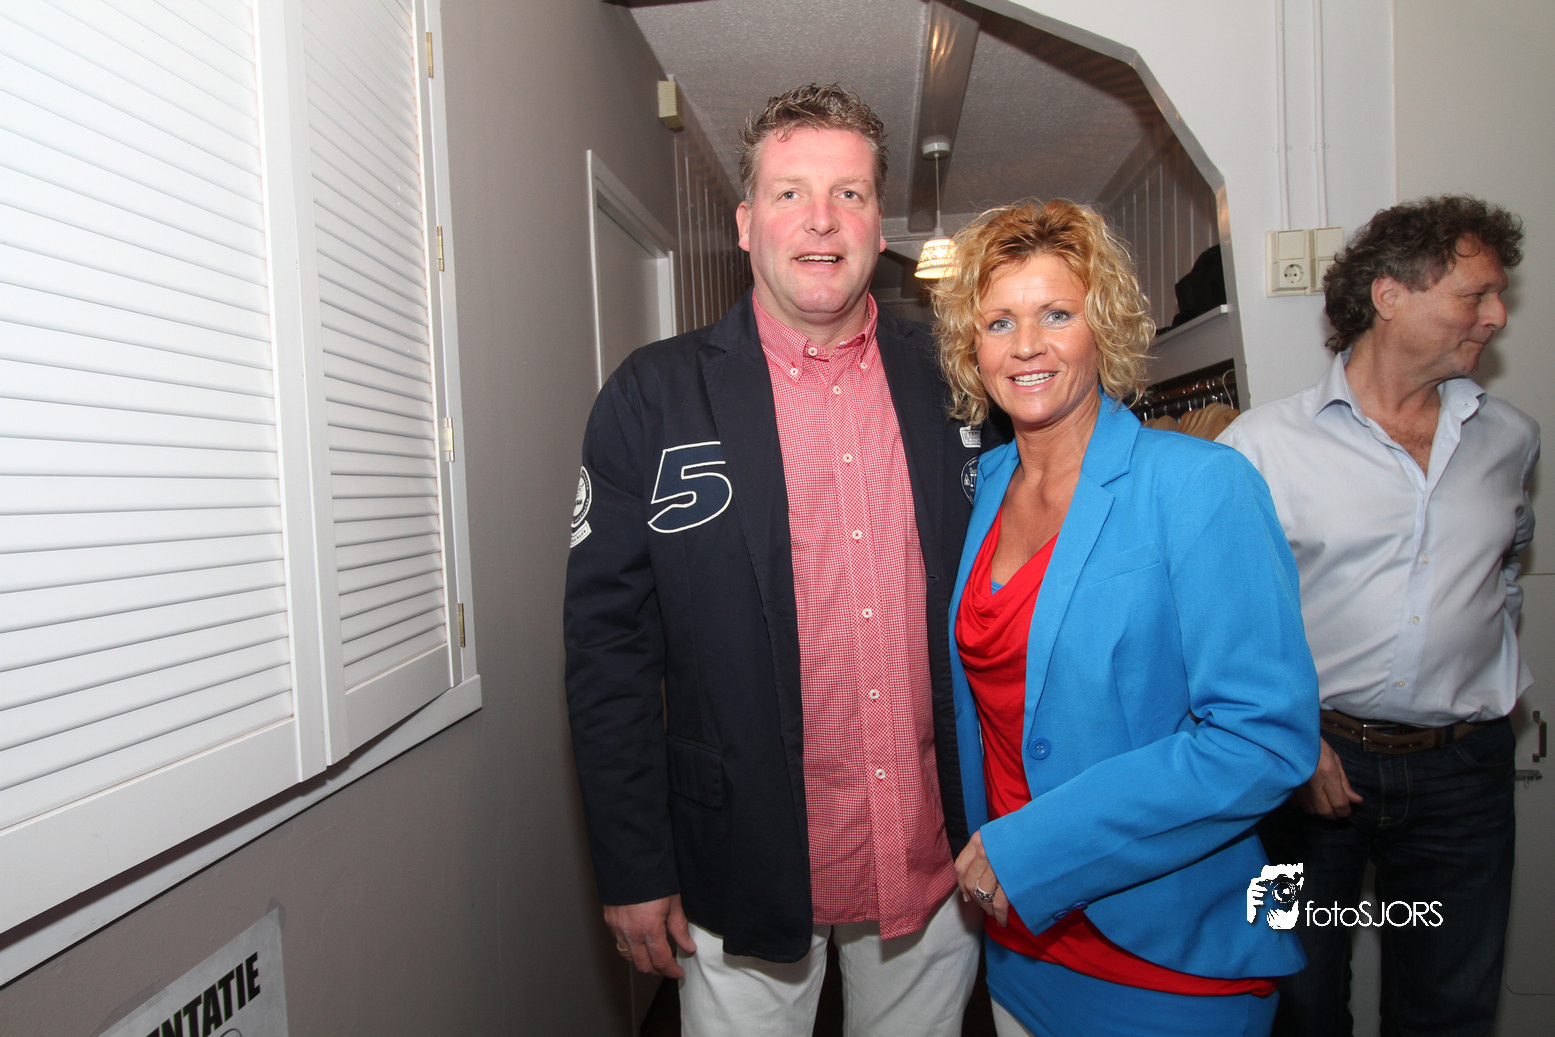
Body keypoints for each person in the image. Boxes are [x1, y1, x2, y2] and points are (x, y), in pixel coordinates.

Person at [563, 84, 988, 1035]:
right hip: (736, 854)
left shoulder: (958, 378)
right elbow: (606, 652)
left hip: (933, 852)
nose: (821, 219)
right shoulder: (651, 397)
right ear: (746, 222)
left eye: (849, 193)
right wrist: (633, 864)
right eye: (790, 192)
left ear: (879, 224)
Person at [932, 199, 1319, 1037]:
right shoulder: (986, 485)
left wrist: (1037, 846)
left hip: (1165, 952)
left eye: (1056, 314)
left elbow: (1263, 741)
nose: (1025, 344)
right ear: (972, 348)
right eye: (998, 321)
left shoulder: (1200, 483)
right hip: (1020, 941)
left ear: (1101, 326)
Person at [1219, 196, 1537, 1037]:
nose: (1496, 316)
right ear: (1389, 295)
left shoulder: (1510, 438)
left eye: (1496, 295)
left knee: (1451, 1007)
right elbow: (1226, 627)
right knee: (1294, 996)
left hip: (1464, 776)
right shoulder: (1261, 446)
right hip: (1303, 771)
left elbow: (1503, 573)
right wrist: (1293, 739)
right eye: (1474, 295)